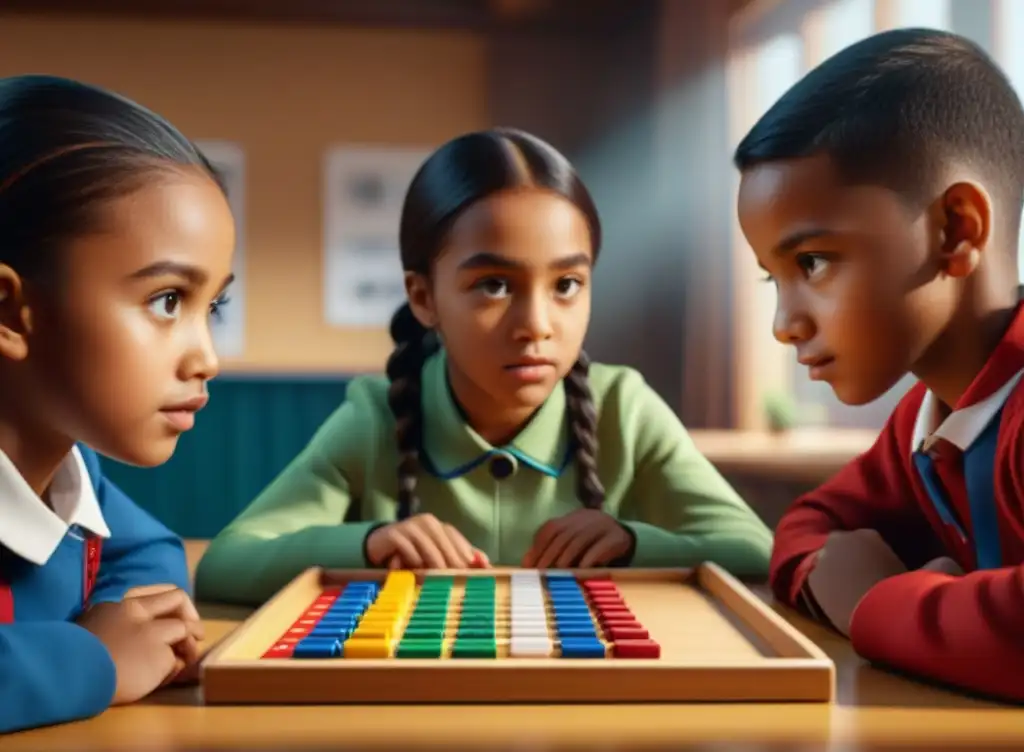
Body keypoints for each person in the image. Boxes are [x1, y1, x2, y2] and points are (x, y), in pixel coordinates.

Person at [195, 127, 772, 606]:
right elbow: (226, 563)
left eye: (567, 285)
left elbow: (753, 550)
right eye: (494, 285)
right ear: (424, 298)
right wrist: (372, 544)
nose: (537, 324)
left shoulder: (624, 407)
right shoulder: (376, 416)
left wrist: (630, 541)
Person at [734, 27, 1024, 701]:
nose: (785, 324)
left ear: (955, 230)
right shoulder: (921, 426)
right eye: (772, 278)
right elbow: (810, 528)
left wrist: (876, 605)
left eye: (812, 262)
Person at [0, 75, 236, 733]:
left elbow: (151, 555)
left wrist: (132, 627)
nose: (207, 358)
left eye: (212, 305)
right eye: (167, 301)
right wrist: (96, 655)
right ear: (10, 312)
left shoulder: (75, 477)